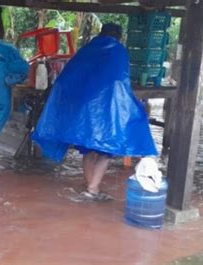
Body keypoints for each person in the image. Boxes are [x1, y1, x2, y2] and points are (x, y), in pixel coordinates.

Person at [32, 23, 158, 201]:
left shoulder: (87, 49)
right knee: (106, 150)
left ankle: (88, 185)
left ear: (101, 33)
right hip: (104, 110)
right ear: (118, 36)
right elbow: (120, 82)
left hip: (83, 111)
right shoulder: (118, 50)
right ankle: (92, 190)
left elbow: (69, 76)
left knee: (89, 150)